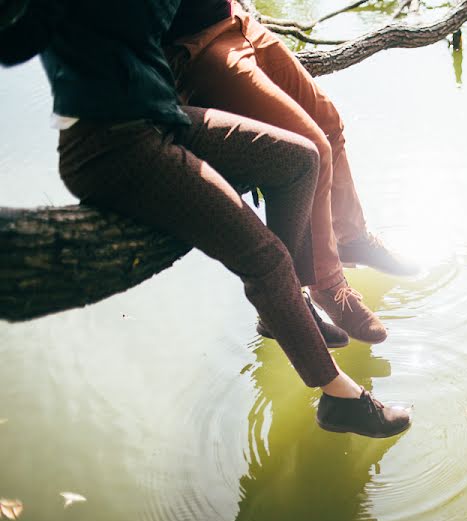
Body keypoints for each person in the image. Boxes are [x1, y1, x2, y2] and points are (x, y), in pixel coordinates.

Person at [0, 0, 409, 438]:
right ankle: (338, 397)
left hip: (167, 118)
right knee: (265, 259)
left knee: (300, 159)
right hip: (110, 147)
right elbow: (13, 45)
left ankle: (283, 309)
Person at [163, 0, 417, 346]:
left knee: (329, 124)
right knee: (313, 148)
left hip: (237, 20)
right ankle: (323, 288)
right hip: (197, 47)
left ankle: (351, 237)